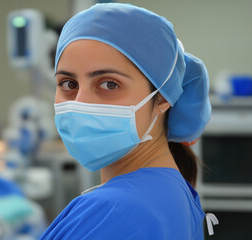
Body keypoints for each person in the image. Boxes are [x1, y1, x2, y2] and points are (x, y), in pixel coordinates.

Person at [40, 3, 217, 239]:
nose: (81, 102)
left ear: (163, 97)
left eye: (109, 84)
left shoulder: (113, 210)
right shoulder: (174, 192)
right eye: (68, 84)